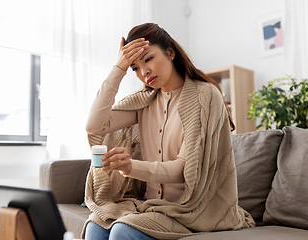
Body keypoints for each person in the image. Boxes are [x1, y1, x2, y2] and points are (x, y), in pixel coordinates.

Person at [83, 23, 255, 240]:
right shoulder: (144, 102)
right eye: (134, 68)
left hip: (191, 208)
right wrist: (119, 69)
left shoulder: (204, 96)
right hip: (152, 206)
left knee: (121, 231)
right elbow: (94, 126)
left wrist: (130, 167)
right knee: (95, 225)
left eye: (147, 59)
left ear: (170, 52)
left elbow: (185, 169)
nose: (144, 71)